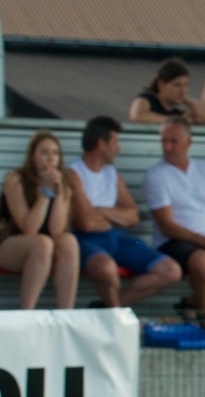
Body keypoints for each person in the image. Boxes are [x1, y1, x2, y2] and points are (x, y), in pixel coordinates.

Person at [65, 116, 183, 308]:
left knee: (171, 271)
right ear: (101, 144)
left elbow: (134, 216)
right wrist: (117, 216)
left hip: (117, 237)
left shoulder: (113, 174)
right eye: (115, 142)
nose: (119, 148)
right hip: (84, 239)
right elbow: (86, 223)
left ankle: (110, 310)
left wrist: (102, 211)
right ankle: (115, 318)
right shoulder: (73, 173)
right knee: (106, 269)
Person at [145, 118, 205, 331]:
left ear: (189, 142)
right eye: (164, 141)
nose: (167, 147)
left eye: (173, 141)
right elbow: (167, 226)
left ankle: (194, 301)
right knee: (203, 260)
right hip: (173, 241)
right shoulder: (156, 175)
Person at [0, 130, 81, 310]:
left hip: (42, 245)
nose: (51, 159)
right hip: (5, 241)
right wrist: (45, 193)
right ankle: (27, 313)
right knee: (42, 243)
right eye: (44, 152)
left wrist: (58, 194)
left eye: (55, 153)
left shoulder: (65, 184)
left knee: (69, 241)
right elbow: (29, 228)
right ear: (32, 157)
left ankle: (66, 313)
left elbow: (57, 230)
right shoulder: (15, 179)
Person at [128, 57, 205, 125]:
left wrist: (185, 99)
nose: (183, 90)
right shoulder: (146, 98)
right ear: (161, 84)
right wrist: (176, 121)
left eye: (186, 85)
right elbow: (138, 116)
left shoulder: (176, 114)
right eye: (177, 85)